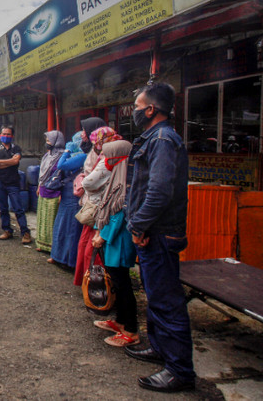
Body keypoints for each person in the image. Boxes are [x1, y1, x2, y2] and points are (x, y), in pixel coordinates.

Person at [123, 82, 195, 393]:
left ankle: (179, 370)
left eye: (137, 107)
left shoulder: (163, 139)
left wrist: (138, 226)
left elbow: (159, 192)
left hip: (159, 234)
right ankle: (160, 349)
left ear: (151, 109)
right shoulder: (154, 137)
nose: (134, 112)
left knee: (166, 302)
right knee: (155, 296)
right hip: (154, 232)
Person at [85, 140, 139, 348]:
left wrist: (103, 235)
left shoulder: (127, 182)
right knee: (117, 282)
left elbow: (120, 214)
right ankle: (120, 322)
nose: (105, 161)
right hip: (112, 239)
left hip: (119, 240)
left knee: (123, 285)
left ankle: (131, 331)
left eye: (109, 156)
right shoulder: (117, 177)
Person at [74, 126, 122, 286]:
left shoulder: (108, 158)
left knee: (93, 247)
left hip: (101, 208)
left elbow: (89, 182)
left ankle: (96, 285)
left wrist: (84, 179)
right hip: (105, 207)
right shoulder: (116, 155)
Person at [0, 126, 32, 245]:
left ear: (12, 136)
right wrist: (7, 162)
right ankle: (7, 230)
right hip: (0, 182)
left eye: (8, 134)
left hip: (13, 183)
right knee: (3, 209)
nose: (6, 136)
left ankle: (25, 232)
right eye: (4, 134)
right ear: (0, 135)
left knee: (18, 208)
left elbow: (16, 161)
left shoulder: (16, 148)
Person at [49, 133, 86, 267]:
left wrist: (67, 151)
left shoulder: (82, 156)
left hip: (74, 196)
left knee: (71, 229)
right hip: (66, 195)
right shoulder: (75, 156)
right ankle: (57, 256)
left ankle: (68, 260)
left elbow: (62, 165)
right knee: (60, 226)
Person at [36, 131, 65, 252]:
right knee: (42, 217)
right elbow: (42, 173)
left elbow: (63, 175)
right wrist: (39, 186)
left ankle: (53, 247)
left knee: (52, 220)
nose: (47, 143)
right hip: (43, 189)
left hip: (55, 192)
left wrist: (61, 193)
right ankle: (42, 244)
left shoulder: (63, 156)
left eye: (49, 141)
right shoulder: (47, 155)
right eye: (47, 141)